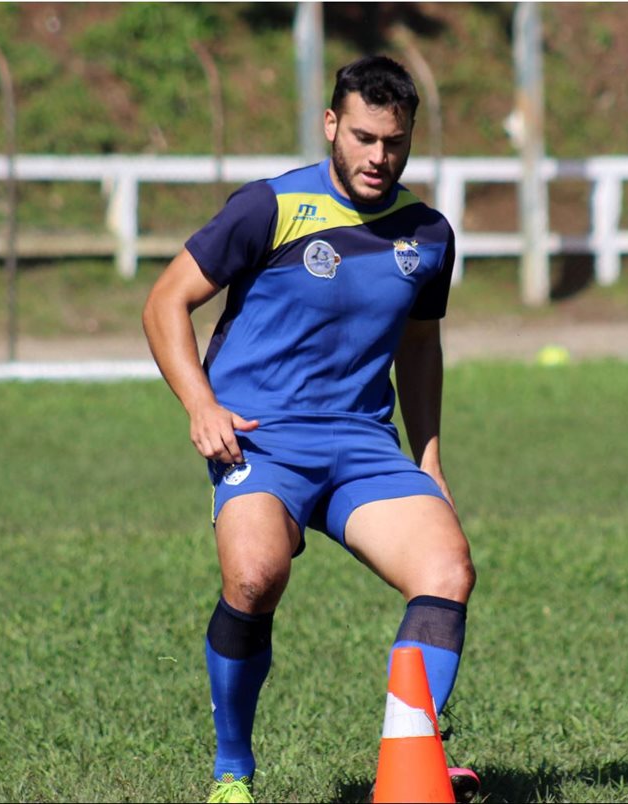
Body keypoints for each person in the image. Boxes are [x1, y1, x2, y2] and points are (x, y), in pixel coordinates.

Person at [142, 55, 479, 803]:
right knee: (255, 577)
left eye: (393, 142)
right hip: (260, 438)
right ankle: (233, 771)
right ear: (332, 124)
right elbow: (165, 303)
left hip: (362, 447)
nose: (377, 157)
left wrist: (429, 460)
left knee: (447, 571)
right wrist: (201, 405)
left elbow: (420, 349)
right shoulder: (270, 207)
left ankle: (413, 751)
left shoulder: (427, 234)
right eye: (362, 137)